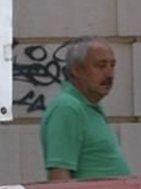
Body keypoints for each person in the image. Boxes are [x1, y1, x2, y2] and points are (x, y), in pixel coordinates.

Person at [41, 37, 130, 180]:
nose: (109, 74)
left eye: (112, 65)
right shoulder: (67, 108)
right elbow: (59, 175)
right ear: (76, 70)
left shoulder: (88, 106)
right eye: (101, 66)